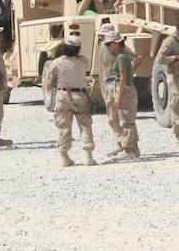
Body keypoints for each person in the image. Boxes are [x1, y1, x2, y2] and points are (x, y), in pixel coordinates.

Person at [43, 35, 97, 167]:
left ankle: (64, 156)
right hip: (80, 95)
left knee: (63, 126)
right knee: (85, 124)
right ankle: (88, 156)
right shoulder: (83, 61)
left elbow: (49, 83)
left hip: (63, 96)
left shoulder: (57, 63)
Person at [98, 22, 141, 156]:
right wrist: (105, 78)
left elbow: (136, 60)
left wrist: (128, 74)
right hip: (109, 85)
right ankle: (122, 145)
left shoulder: (121, 53)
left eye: (105, 38)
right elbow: (104, 65)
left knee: (125, 117)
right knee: (113, 118)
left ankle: (129, 147)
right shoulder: (103, 48)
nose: (104, 41)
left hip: (118, 85)